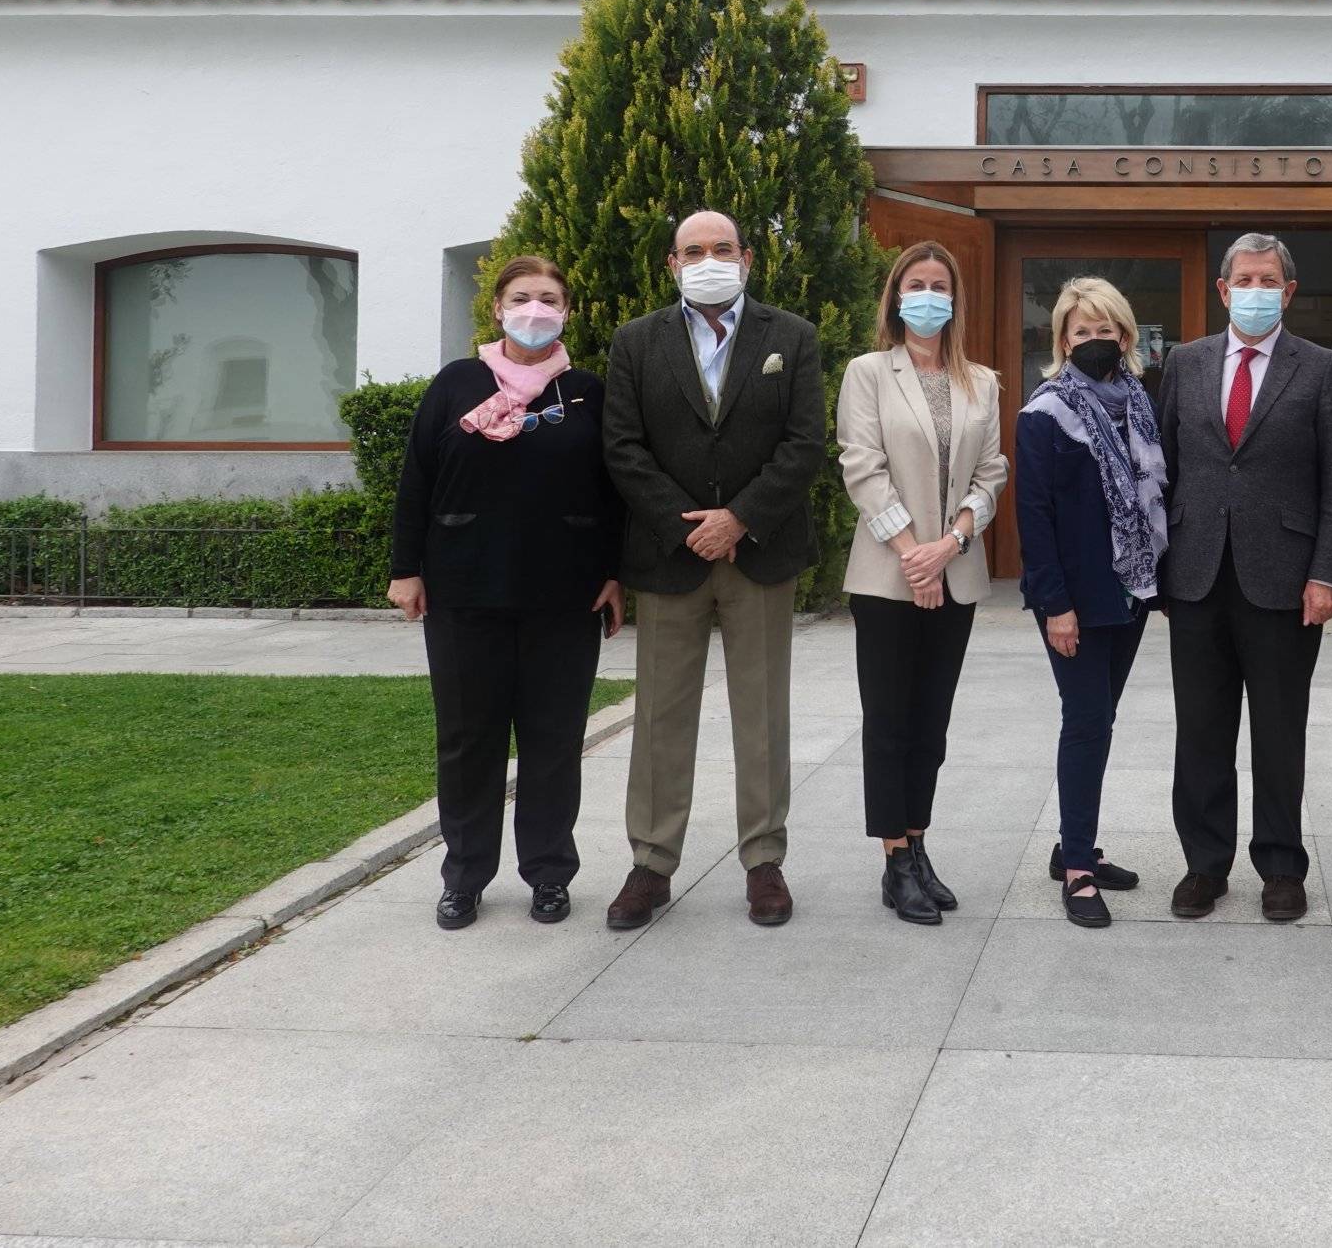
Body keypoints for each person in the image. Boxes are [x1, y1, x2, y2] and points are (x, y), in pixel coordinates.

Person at [600, 210, 826, 931]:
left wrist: (741, 518)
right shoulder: (637, 342)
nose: (708, 260)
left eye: (721, 248)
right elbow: (623, 445)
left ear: (747, 257)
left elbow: (804, 442)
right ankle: (652, 862)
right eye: (694, 250)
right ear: (672, 264)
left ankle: (764, 860)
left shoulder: (790, 336)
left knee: (762, 715)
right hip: (672, 559)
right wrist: (688, 525)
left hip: (760, 552)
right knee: (662, 716)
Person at [386, 255, 624, 929]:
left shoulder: (584, 391)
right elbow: (416, 482)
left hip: (564, 594)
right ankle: (464, 875)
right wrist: (407, 569)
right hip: (464, 592)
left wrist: (612, 571)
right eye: (522, 296)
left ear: (568, 311)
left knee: (553, 741)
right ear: (497, 307)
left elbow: (612, 493)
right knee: (469, 740)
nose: (536, 308)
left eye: (550, 298)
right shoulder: (456, 383)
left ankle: (549, 873)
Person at [1155, 232, 1332, 922]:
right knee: (1201, 730)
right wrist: (1157, 568)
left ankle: (1280, 865)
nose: (1255, 289)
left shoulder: (1324, 369)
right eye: (1244, 278)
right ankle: (1204, 864)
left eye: (1268, 278)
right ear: (1222, 288)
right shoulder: (1185, 362)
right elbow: (1165, 469)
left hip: (1286, 580)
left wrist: (1329, 572)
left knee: (1278, 731)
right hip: (1196, 575)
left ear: (1289, 290)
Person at [836, 241, 1008, 925]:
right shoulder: (869, 372)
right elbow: (862, 466)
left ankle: (919, 841)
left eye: (940, 284)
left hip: (955, 567)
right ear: (896, 295)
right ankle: (893, 858)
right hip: (887, 575)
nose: (928, 294)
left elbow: (991, 472)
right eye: (917, 283)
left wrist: (952, 543)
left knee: (930, 726)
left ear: (954, 299)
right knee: (889, 721)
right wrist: (914, 553)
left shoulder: (981, 381)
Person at [1017, 276, 1168, 929]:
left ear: (1125, 336)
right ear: (1063, 340)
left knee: (1099, 720)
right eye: (1081, 331)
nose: (1094, 340)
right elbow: (1035, 517)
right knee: (1086, 722)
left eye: (1105, 330)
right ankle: (1078, 869)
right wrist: (1055, 606)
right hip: (1074, 602)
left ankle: (1072, 844)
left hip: (1130, 594)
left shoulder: (1141, 403)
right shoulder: (1045, 413)